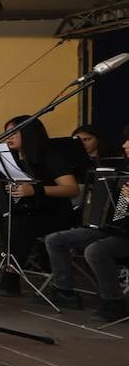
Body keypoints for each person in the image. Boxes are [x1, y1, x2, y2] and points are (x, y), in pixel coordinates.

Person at [45, 127, 129, 321]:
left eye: (128, 141)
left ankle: (114, 302)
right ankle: (65, 292)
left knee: (96, 250)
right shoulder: (122, 170)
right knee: (56, 240)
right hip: (113, 228)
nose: (124, 145)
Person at [0, 115, 80, 296]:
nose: (9, 137)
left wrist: (36, 190)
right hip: (29, 209)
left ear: (29, 133)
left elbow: (72, 189)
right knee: (0, 219)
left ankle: (11, 277)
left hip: (54, 214)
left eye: (14, 133)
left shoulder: (50, 156)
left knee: (17, 225)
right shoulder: (12, 158)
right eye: (7, 133)